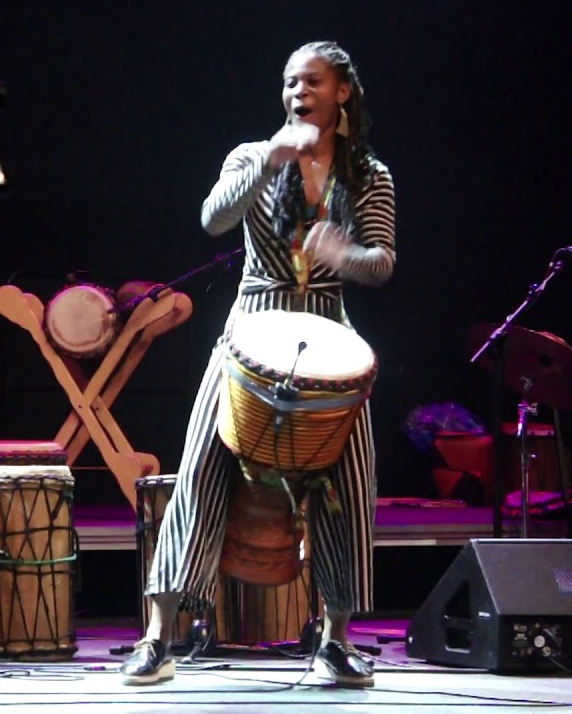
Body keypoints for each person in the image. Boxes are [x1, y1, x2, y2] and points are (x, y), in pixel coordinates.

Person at [120, 41, 395, 687]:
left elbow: (381, 262)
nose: (297, 92)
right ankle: (159, 636)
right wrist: (267, 162)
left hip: (330, 328)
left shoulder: (369, 175)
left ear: (342, 93)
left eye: (312, 81)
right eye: (289, 81)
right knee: (201, 469)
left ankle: (336, 639)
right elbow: (213, 219)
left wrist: (347, 254)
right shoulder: (251, 155)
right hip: (253, 324)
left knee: (351, 483)